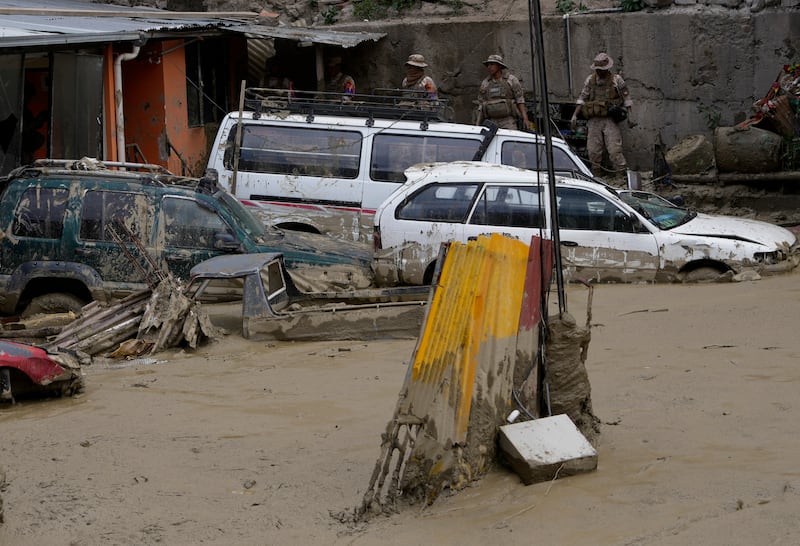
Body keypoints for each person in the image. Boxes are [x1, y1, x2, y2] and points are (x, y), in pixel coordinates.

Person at [570, 52, 633, 181]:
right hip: (594, 119)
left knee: (614, 149)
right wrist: (575, 115)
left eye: (601, 69)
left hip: (610, 119)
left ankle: (620, 176)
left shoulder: (616, 80)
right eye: (597, 69)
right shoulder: (590, 80)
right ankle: (597, 175)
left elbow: (627, 98)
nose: (599, 72)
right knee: (593, 150)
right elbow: (582, 98)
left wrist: (630, 117)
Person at [476, 54, 530, 131]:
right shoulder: (486, 83)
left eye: (492, 64)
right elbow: (481, 104)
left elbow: (520, 99)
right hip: (491, 121)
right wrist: (478, 125)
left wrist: (525, 118)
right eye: (488, 65)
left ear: (499, 66)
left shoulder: (511, 80)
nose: (489, 67)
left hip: (508, 121)